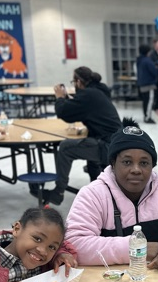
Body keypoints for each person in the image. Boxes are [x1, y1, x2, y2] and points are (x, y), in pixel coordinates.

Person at [66, 118, 158, 272]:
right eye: (127, 162)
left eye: (144, 163)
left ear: (153, 166)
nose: (136, 169)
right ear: (112, 163)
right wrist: (136, 248)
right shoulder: (92, 195)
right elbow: (75, 244)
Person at [42, 67, 123, 205]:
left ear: (79, 82)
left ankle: (58, 192)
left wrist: (60, 98)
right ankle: (98, 191)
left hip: (107, 146)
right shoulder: (99, 90)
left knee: (66, 147)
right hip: (116, 142)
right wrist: (68, 98)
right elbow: (80, 106)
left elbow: (64, 112)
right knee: (87, 142)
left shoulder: (88, 94)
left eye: (73, 82)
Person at [136, 44, 158, 124]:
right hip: (149, 84)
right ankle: (148, 117)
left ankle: (146, 116)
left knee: (145, 101)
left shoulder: (139, 60)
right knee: (149, 101)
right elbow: (154, 72)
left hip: (142, 84)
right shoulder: (147, 60)